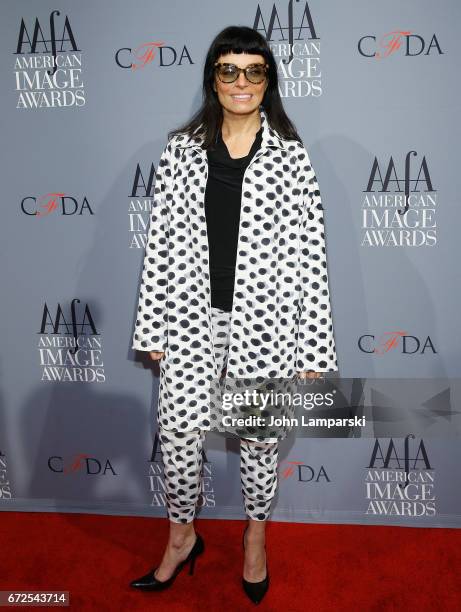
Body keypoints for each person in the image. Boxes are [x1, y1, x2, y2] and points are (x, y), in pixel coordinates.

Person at [130, 25, 338, 604]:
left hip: (267, 321)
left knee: (257, 438)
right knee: (176, 433)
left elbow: (311, 255)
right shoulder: (181, 150)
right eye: (229, 70)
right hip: (190, 319)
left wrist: (314, 345)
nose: (240, 82)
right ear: (213, 79)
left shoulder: (292, 157)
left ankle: (254, 539)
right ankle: (181, 537)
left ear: (267, 81)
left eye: (253, 71)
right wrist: (151, 326)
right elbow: (160, 247)